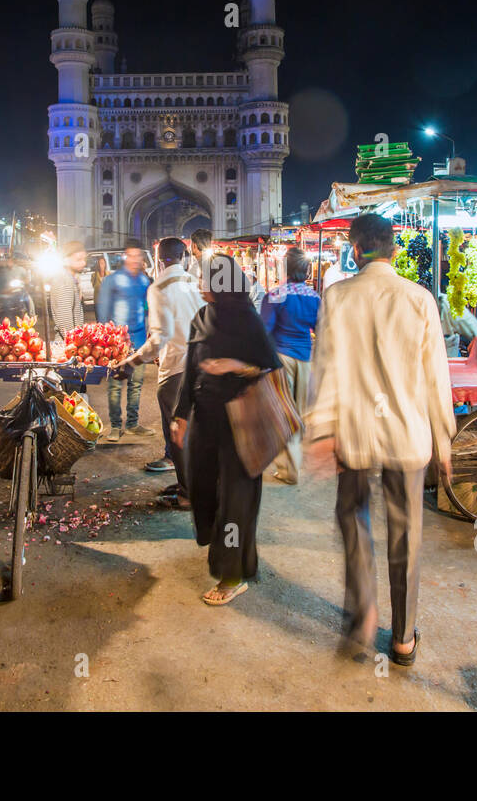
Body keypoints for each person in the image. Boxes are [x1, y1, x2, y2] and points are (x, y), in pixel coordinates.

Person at [305, 213, 455, 666]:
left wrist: (321, 430)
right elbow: (436, 377)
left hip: (354, 432)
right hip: (407, 434)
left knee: (353, 519)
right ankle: (405, 636)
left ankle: (365, 612)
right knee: (406, 534)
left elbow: (325, 369)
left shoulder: (337, 297)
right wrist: (444, 442)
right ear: (394, 249)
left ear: (355, 250)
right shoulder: (419, 298)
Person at [171, 253, 281, 606]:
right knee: (203, 490)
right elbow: (191, 369)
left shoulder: (247, 319)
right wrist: (181, 414)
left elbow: (270, 366)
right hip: (205, 421)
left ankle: (231, 575)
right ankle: (229, 556)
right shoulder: (201, 316)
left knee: (236, 502)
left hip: (240, 424)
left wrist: (236, 365)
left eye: (207, 279)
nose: (201, 284)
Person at [119, 236, 203, 505]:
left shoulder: (159, 287)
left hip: (176, 370)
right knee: (192, 433)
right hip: (200, 365)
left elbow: (159, 338)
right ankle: (186, 485)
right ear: (183, 257)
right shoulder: (195, 283)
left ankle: (188, 495)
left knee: (177, 432)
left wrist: (132, 362)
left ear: (159, 259)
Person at [259, 247, 321, 484]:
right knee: (299, 412)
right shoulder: (314, 297)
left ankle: (289, 468)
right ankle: (293, 462)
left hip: (281, 358)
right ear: (305, 270)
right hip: (305, 359)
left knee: (282, 414)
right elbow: (321, 329)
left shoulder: (275, 295)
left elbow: (265, 332)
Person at [97, 238, 153, 441]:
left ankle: (132, 424)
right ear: (124, 257)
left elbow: (147, 307)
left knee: (136, 384)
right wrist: (105, 342)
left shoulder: (144, 281)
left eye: (139, 256)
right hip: (116, 344)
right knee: (115, 385)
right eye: (131, 255)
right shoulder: (112, 280)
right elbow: (102, 311)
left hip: (138, 341)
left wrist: (149, 328)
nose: (135, 259)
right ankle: (114, 426)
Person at [47, 240, 87, 351]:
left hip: (69, 346)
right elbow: (65, 322)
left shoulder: (69, 279)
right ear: (65, 260)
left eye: (84, 259)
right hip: (67, 348)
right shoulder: (63, 280)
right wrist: (77, 348)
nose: (83, 263)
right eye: (78, 259)